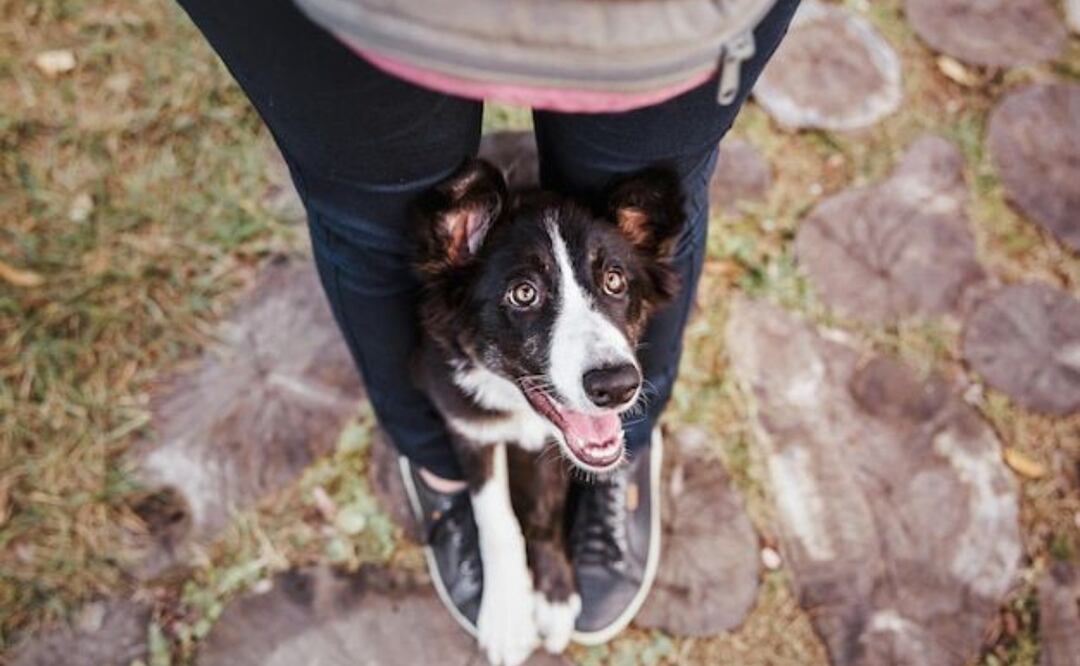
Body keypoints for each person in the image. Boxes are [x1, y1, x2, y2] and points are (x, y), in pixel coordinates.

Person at [177, 0, 799, 643]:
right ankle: (437, 468)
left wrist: (547, 550)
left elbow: (649, 219)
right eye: (526, 296)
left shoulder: (624, 271)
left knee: (649, 168)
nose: (606, 355)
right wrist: (510, 558)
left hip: (658, 21)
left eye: (613, 283)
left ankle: (624, 454)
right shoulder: (461, 325)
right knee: (375, 214)